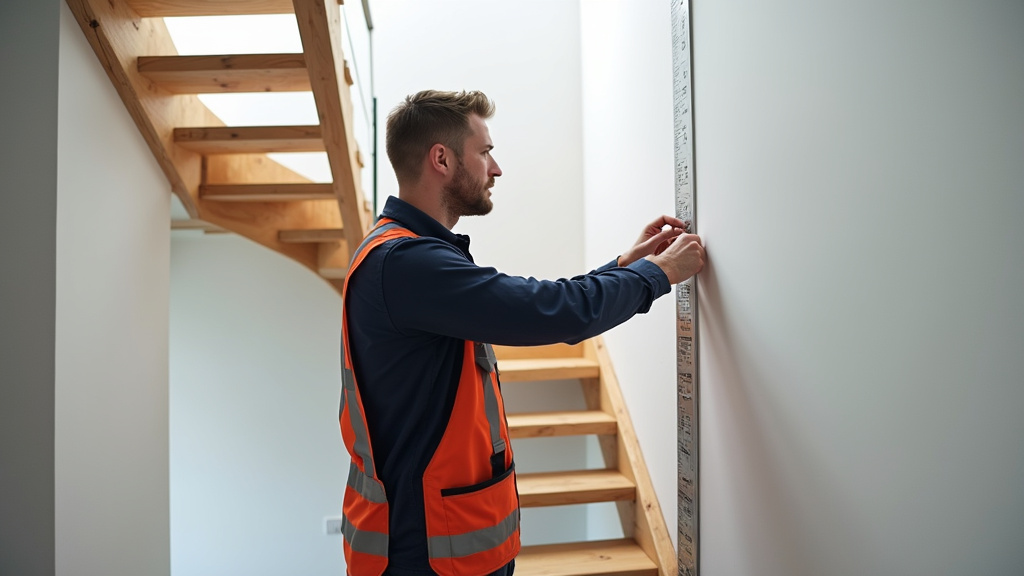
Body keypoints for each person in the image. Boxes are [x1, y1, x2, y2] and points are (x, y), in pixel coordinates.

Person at [339, 90, 704, 576]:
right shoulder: (406, 263)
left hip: (441, 542)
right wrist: (658, 275)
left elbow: (538, 303)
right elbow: (549, 311)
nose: (496, 168)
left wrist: (623, 266)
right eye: (485, 152)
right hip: (423, 551)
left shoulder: (409, 255)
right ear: (442, 159)